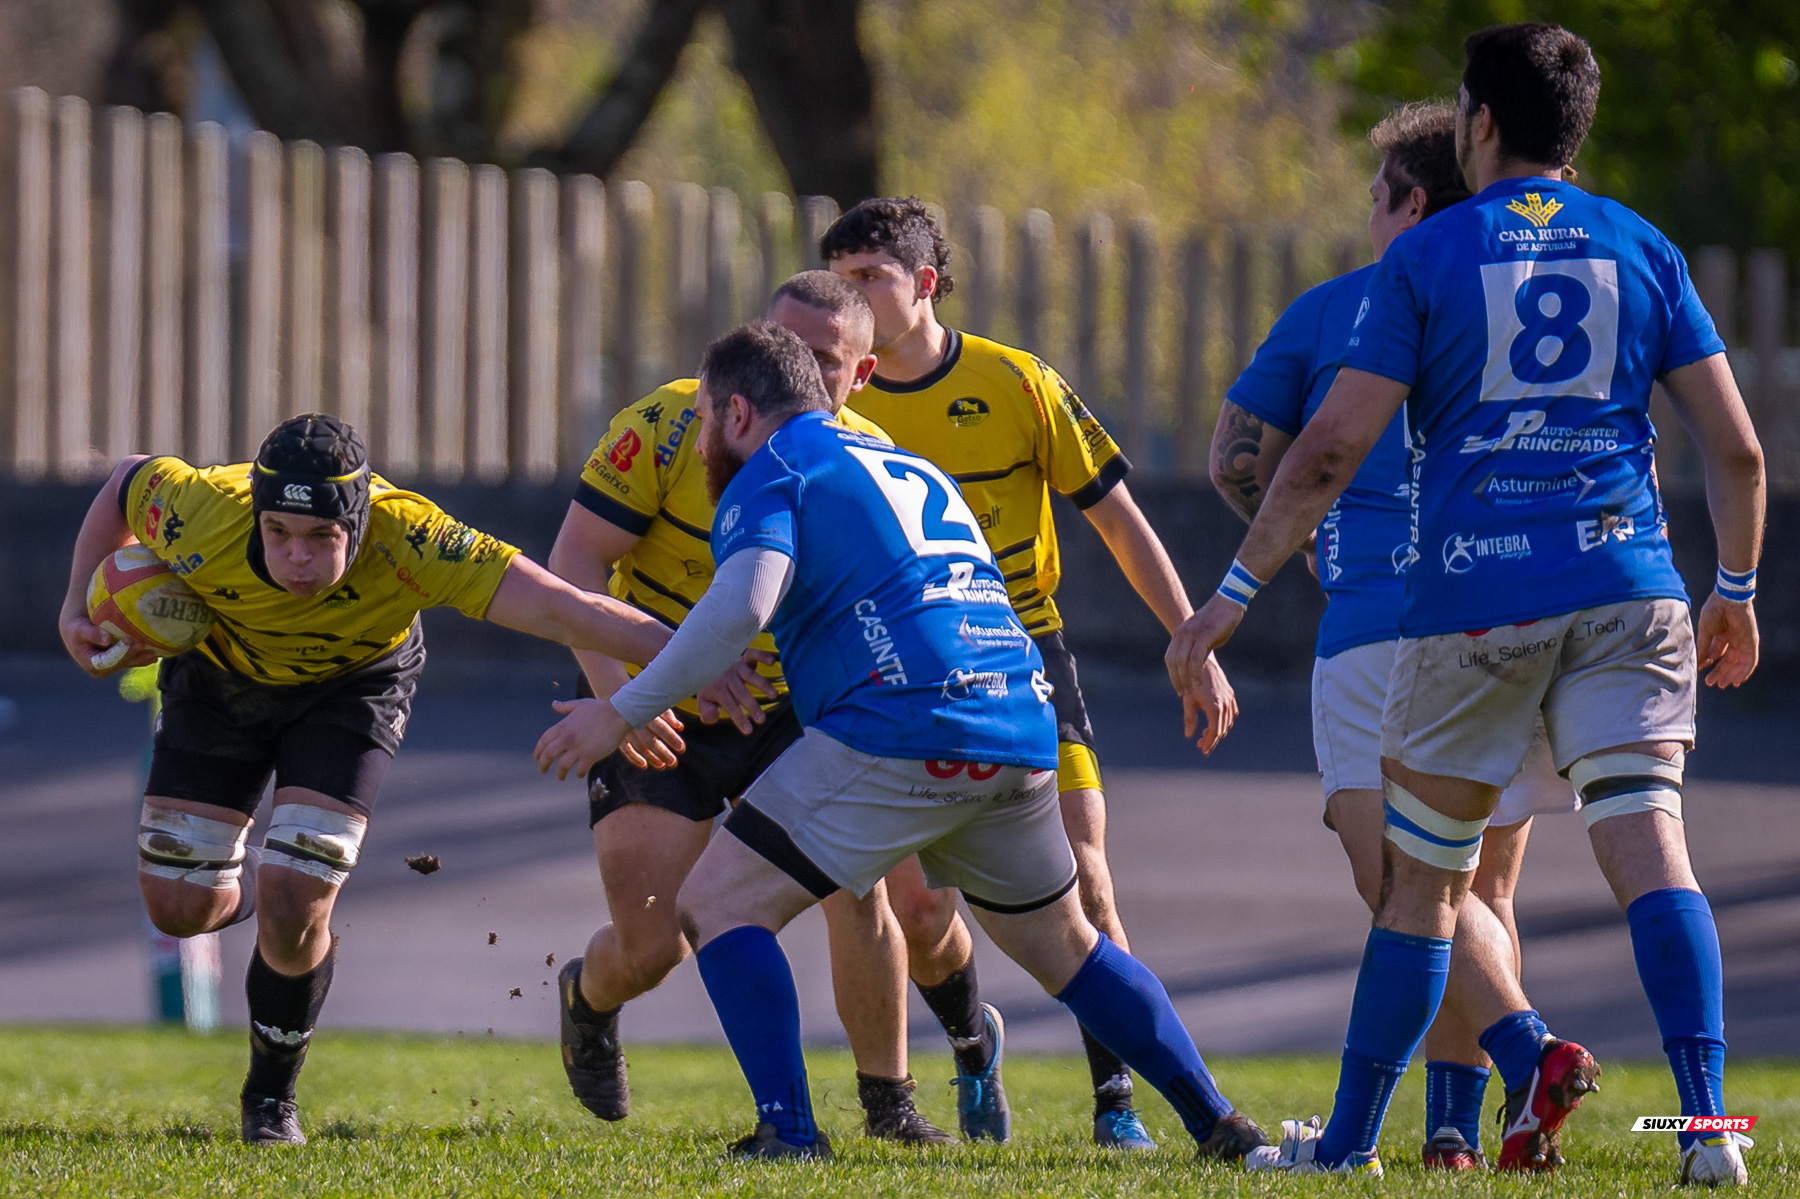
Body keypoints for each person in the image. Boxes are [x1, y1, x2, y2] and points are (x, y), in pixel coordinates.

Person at [1170, 24, 1763, 1185]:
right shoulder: (1644, 246)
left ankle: (1346, 1147)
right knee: (1653, 853)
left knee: (1424, 884)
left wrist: (1224, 601)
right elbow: (1736, 453)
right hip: (1629, 587)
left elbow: (1328, 448)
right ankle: (1708, 1135)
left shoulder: (1428, 259)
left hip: (1476, 603)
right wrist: (1733, 589)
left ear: (1477, 122)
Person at [534, 320, 1264, 1163]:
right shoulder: (905, 460)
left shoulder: (771, 472)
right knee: (1070, 946)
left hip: (903, 725)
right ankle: (1220, 1124)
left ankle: (790, 1132)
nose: (701, 441)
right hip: (1017, 722)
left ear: (737, 412)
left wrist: (619, 709)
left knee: (719, 903)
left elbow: (741, 606)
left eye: (705, 421)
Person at [56, 413, 754, 1147]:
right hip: (221, 683)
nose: (298, 559)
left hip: (351, 691)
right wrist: (76, 603)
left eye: (321, 538)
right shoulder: (199, 509)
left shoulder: (413, 537)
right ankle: (277, 879)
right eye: (279, 533)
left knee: (298, 897)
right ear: (255, 514)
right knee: (178, 906)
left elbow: (560, 605)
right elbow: (122, 481)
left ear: (357, 526)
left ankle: (269, 1098)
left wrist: (690, 659)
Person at [1213, 99, 1576, 1170]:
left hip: (1383, 624)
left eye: (1375, 198)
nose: (1367, 218)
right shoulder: (1529, 308)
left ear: (1411, 203)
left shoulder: (1345, 308)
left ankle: (1527, 1053)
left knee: (1406, 885)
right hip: (1523, 614)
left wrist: (1291, 534)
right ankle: (1457, 1136)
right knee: (1486, 889)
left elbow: (1243, 454)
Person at [822, 197, 1227, 1149]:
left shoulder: (1016, 382)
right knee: (921, 908)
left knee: (1085, 878)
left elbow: (1119, 516)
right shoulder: (833, 401)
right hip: (894, 667)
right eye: (838, 280)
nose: (851, 298)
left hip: (1020, 650)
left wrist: (1190, 640)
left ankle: (1117, 1103)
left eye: (869, 278)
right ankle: (971, 1043)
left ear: (923, 284)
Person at [546, 271, 950, 1143]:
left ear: (862, 376)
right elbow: (571, 571)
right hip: (646, 692)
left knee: (856, 884)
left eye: (819, 359)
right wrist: (632, 696)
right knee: (652, 947)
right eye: (776, 344)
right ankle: (587, 995)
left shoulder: (869, 457)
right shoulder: (664, 428)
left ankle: (891, 1105)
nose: (782, 372)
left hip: (789, 702)